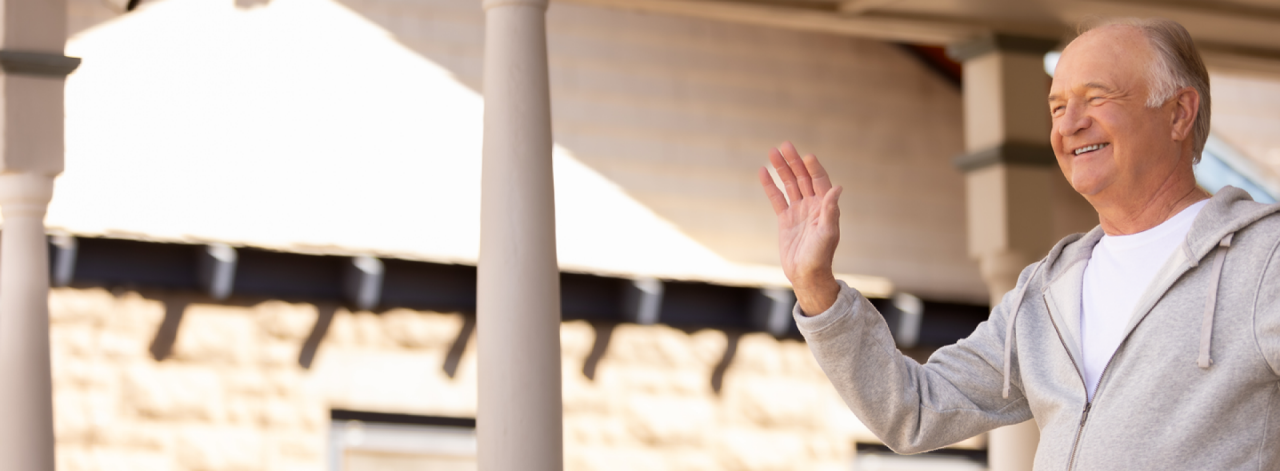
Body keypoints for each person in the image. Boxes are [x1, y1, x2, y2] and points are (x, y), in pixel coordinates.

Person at [759, 18, 1280, 470]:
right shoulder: (1047, 291)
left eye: (1097, 98)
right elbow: (915, 411)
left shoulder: (1263, 258)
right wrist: (817, 287)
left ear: (1179, 113)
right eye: (1057, 107)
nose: (1070, 124)